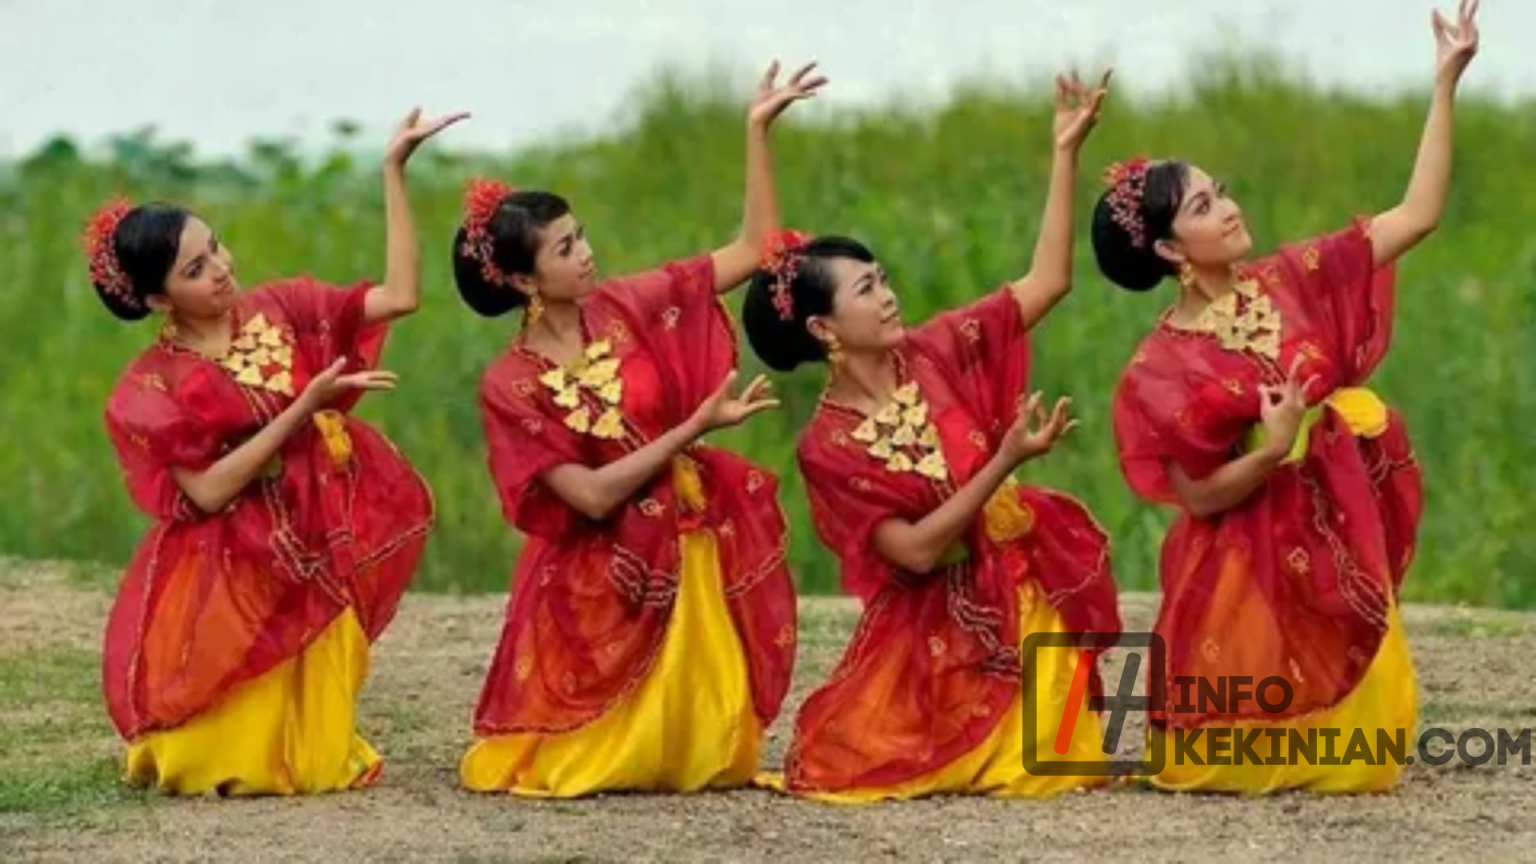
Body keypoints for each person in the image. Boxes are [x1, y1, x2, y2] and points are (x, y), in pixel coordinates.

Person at [1091, 0, 1480, 793]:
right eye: (1204, 206)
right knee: (1234, 757)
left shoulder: (1292, 276)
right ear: (1168, 249)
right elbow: (1199, 497)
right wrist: (1271, 448)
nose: (1230, 207)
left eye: (1222, 191)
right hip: (1247, 554)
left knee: (1362, 757)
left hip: (1334, 519)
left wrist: (1444, 85)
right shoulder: (1160, 367)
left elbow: (1417, 216)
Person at [741, 71, 1121, 801]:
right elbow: (916, 551)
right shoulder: (828, 447)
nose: (889, 297)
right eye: (866, 290)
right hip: (936, 621)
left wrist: (1065, 154)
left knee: (1069, 765)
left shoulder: (935, 350)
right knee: (889, 762)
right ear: (823, 328)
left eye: (883, 280)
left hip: (1018, 583)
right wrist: (1004, 460)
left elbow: (1046, 283)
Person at [453, 61, 824, 797]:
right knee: (596, 763)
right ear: (523, 281)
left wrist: (757, 131)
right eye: (565, 249)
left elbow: (753, 250)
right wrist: (693, 429)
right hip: (600, 564)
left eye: (581, 236)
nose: (586, 253)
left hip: (682, 532)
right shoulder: (512, 384)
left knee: (707, 757)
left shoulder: (625, 303)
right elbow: (591, 497)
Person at [91, 108, 465, 795]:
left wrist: (393, 172)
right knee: (220, 757)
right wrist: (304, 408)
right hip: (231, 553)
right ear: (157, 299)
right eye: (196, 268)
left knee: (317, 758)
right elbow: (207, 492)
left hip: (315, 524)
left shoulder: (283, 309)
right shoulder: (153, 385)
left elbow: (401, 296)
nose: (221, 269)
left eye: (216, 248)